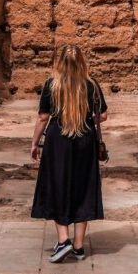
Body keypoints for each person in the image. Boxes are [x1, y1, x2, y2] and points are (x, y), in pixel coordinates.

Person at [30, 43, 108, 262]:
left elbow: (43, 117)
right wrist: (84, 116)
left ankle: (63, 240)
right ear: (82, 62)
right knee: (83, 189)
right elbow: (102, 115)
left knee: (59, 186)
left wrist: (34, 144)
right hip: (85, 139)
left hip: (58, 141)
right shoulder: (91, 84)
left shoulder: (52, 84)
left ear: (60, 63)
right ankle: (79, 246)